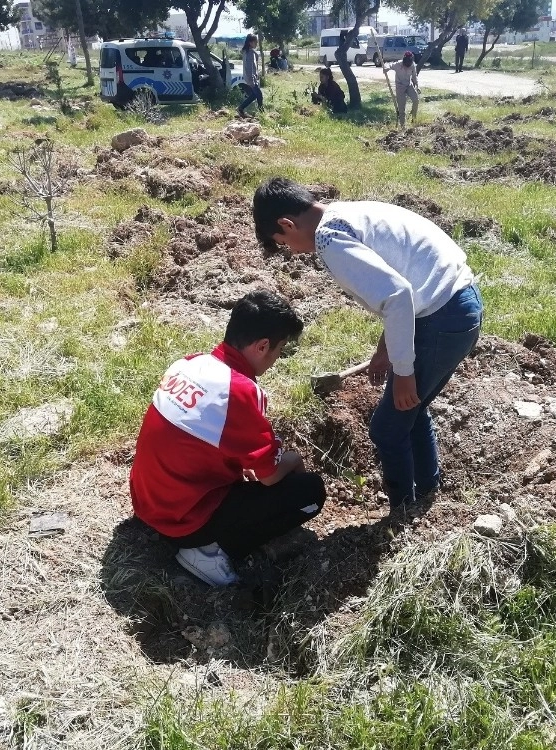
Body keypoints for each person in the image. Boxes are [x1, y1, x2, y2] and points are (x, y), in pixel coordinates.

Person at [252, 178, 482, 508]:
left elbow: (398, 295)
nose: (294, 251)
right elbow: (403, 289)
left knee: (388, 428)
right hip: (457, 303)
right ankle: (426, 494)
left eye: (285, 242)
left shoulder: (329, 239)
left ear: (287, 224)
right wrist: (384, 349)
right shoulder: (345, 214)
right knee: (410, 413)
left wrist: (403, 373)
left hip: (441, 318)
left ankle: (403, 515)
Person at [130, 290, 326, 586]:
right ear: (262, 346)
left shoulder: (190, 363)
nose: (276, 359)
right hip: (181, 521)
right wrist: (294, 459)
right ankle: (209, 551)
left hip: (147, 501)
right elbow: (270, 476)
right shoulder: (238, 392)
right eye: (279, 349)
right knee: (310, 492)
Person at [386, 51, 419, 128]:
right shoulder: (398, 64)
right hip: (400, 87)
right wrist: (386, 68)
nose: (408, 64)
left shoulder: (413, 65)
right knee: (401, 108)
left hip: (408, 85)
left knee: (416, 100)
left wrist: (417, 85)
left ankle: (413, 118)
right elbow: (388, 64)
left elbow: (414, 76)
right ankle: (403, 126)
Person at [237, 33, 263, 118]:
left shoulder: (248, 52)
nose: (256, 44)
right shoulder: (249, 53)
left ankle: (241, 108)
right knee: (259, 95)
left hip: (250, 77)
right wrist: (252, 80)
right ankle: (262, 113)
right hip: (250, 78)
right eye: (255, 42)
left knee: (254, 95)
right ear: (250, 43)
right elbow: (249, 68)